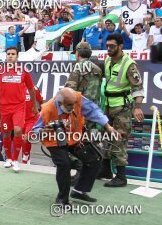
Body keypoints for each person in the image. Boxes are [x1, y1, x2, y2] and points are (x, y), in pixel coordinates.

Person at [32, 88, 120, 206]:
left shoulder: (78, 100)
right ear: (59, 103)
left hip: (74, 137)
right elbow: (35, 131)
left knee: (95, 158)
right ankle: (62, 200)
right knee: (64, 164)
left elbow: (94, 111)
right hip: (54, 141)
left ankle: (79, 191)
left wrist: (108, 127)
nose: (72, 107)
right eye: (69, 105)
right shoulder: (47, 109)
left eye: (73, 104)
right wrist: (43, 131)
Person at [101, 33, 145, 187]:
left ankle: (121, 176)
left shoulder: (129, 64)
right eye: (107, 46)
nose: (108, 49)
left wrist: (137, 108)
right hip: (108, 106)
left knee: (119, 138)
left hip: (122, 108)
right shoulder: (107, 60)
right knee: (106, 138)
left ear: (120, 46)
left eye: (112, 46)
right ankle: (105, 170)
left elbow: (138, 88)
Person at [0, 46, 38, 172]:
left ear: (17, 56)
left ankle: (16, 160)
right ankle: (9, 158)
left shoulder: (23, 71)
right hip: (4, 108)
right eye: (8, 54)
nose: (10, 56)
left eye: (13, 54)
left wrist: (34, 105)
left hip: (19, 107)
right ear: (6, 56)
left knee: (17, 130)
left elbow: (31, 89)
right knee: (6, 133)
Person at [65, 42, 103, 184]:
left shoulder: (78, 67)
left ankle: (80, 170)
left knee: (76, 142)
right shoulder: (97, 69)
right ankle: (90, 171)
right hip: (94, 110)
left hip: (80, 111)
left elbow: (70, 91)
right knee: (91, 141)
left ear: (77, 53)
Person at [22, 85, 42, 164]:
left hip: (32, 118)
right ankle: (26, 156)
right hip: (20, 117)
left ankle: (25, 158)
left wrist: (40, 110)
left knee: (27, 137)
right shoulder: (16, 86)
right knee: (22, 140)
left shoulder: (34, 88)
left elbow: (40, 101)